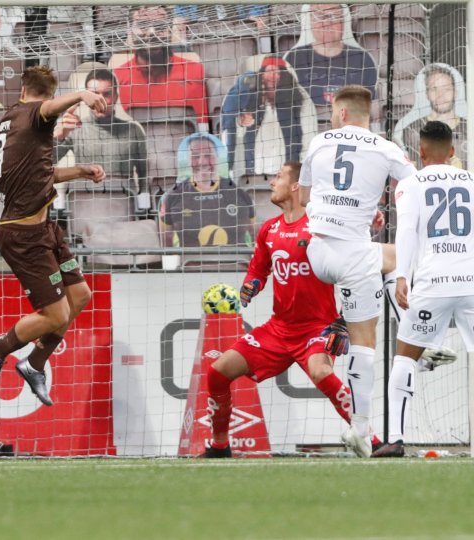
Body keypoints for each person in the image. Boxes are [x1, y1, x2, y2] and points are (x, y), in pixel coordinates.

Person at [203, 161, 383, 457]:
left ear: (296, 185)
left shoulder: (320, 226)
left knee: (321, 371)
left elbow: (355, 262)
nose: (272, 183)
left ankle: (371, 440)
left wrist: (369, 219)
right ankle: (220, 445)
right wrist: (249, 287)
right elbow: (259, 269)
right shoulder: (268, 229)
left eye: (278, 177)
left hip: (318, 327)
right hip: (278, 329)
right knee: (218, 372)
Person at [298, 85, 417, 457]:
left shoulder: (318, 142)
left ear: (343, 113)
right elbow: (416, 188)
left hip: (318, 251)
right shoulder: (385, 148)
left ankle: (361, 433)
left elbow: (303, 198)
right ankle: (362, 426)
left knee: (385, 260)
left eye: (333, 111)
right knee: (367, 337)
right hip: (352, 255)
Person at [0, 65, 106, 406]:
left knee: (79, 296)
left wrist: (80, 170)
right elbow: (47, 109)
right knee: (56, 315)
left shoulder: (13, 118)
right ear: (47, 97)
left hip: (45, 230)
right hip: (24, 234)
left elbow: (40, 174)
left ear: (22, 89)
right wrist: (81, 94)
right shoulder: (34, 114)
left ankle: (34, 364)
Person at [372, 122, 474, 457]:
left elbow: (407, 231)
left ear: (422, 152)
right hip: (471, 282)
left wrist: (402, 276)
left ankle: (397, 440)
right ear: (454, 152)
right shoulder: (471, 181)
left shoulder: (411, 182)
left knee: (405, 355)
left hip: (433, 284)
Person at [54, 68, 148, 199]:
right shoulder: (75, 128)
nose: (101, 101)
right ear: (85, 98)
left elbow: (144, 174)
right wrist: (59, 136)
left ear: (116, 96)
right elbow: (48, 163)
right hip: (84, 204)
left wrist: (144, 200)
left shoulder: (134, 131)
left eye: (107, 94)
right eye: (94, 95)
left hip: (124, 205)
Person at [113, 5, 210, 130]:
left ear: (170, 30)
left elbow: (203, 131)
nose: (152, 32)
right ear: (130, 30)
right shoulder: (116, 78)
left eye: (160, 26)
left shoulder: (195, 71)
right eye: (142, 25)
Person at [221, 55, 317, 177]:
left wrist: (302, 170)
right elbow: (233, 135)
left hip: (287, 172)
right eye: (269, 71)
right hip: (255, 171)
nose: (272, 76)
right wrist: (240, 122)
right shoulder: (248, 96)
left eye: (277, 72)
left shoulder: (301, 99)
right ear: (262, 75)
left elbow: (309, 137)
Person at [159, 133, 255, 248]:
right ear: (187, 161)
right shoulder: (173, 196)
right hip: (191, 265)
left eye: (208, 155)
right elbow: (166, 240)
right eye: (195, 156)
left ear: (218, 158)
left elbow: (256, 235)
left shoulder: (239, 194)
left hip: (236, 265)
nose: (202, 162)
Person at [284, 4, 377, 108]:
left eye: (334, 16)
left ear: (343, 22)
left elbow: (370, 107)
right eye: (319, 16)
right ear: (310, 21)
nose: (327, 23)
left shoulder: (363, 59)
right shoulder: (293, 58)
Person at [394, 63, 467, 170]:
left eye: (446, 89)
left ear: (455, 93)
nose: (440, 95)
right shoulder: (411, 131)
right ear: (427, 94)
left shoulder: (470, 130)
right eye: (434, 89)